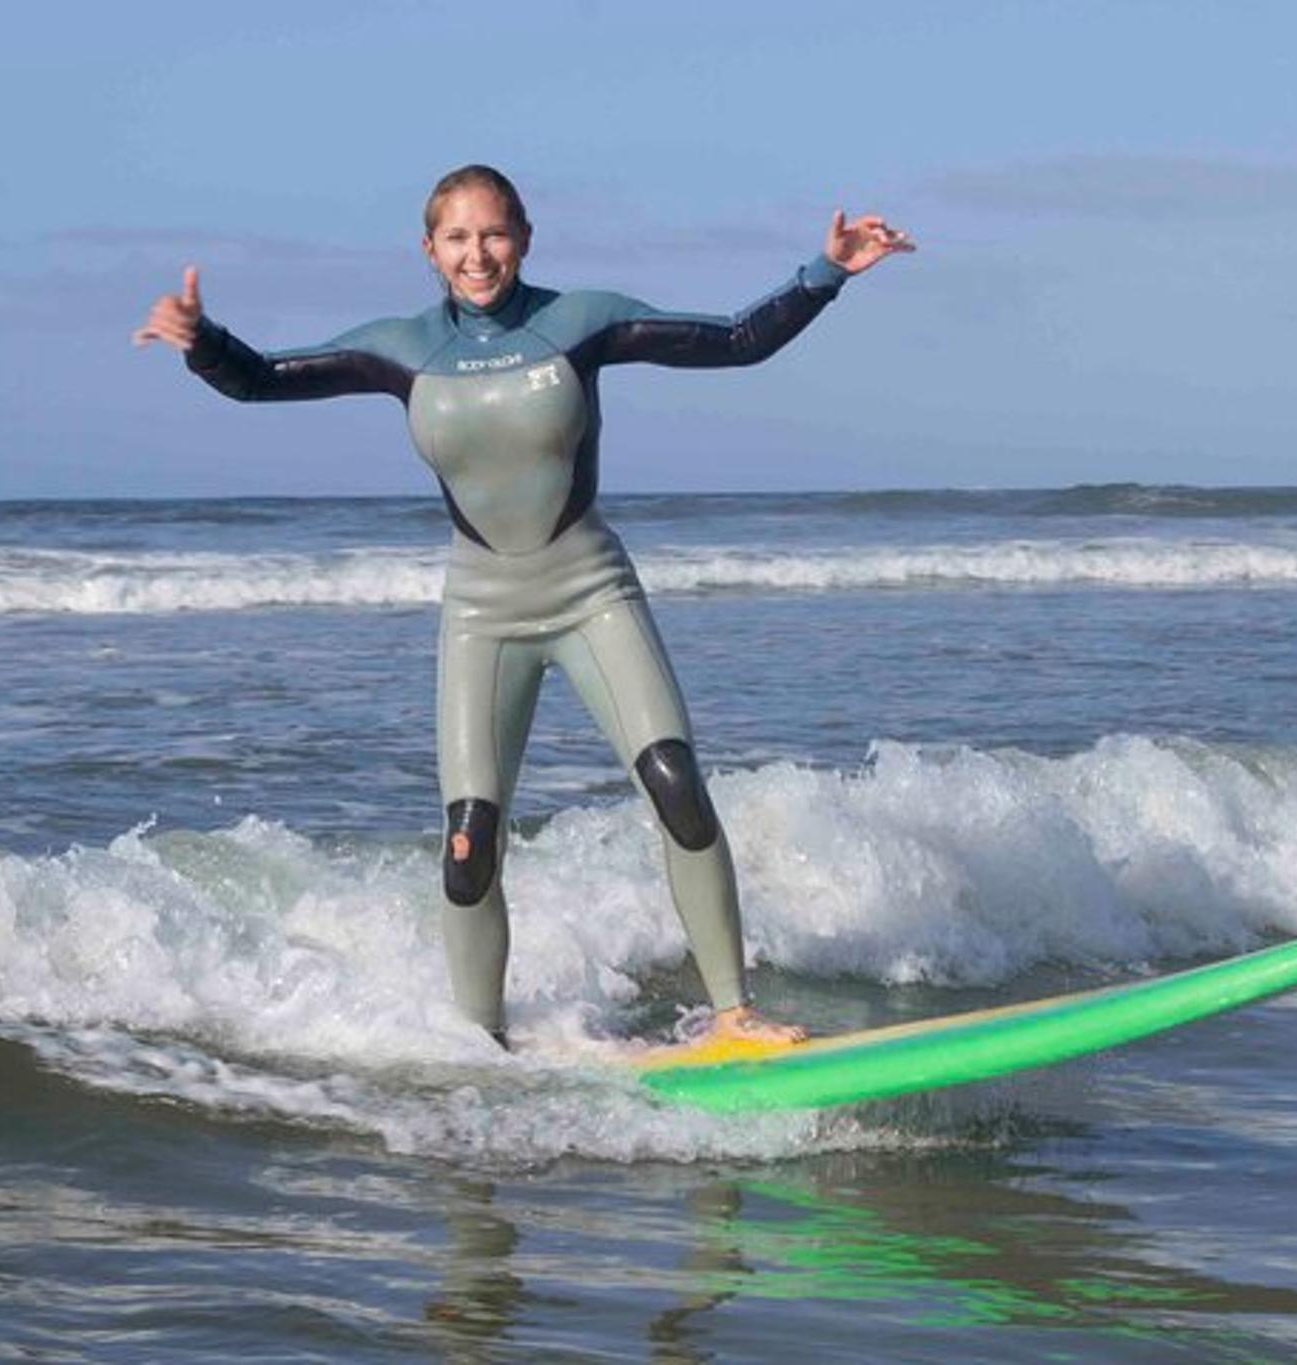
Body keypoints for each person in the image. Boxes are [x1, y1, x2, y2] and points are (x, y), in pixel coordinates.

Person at [136, 164, 912, 1049]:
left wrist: (825, 272)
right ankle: (482, 1045)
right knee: (469, 844)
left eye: (494, 233)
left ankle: (733, 1013)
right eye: (458, 238)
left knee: (677, 788)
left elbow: (735, 341)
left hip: (590, 590)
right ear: (428, 250)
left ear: (525, 238)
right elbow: (264, 380)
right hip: (482, 614)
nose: (479, 254)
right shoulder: (403, 345)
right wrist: (202, 342)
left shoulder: (578, 322)